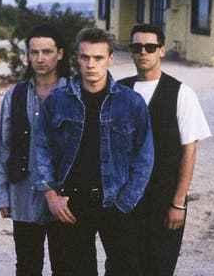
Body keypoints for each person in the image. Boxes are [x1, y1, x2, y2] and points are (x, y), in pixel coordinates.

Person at [34, 27, 154, 275]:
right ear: (76, 58)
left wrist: (126, 201)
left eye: (98, 58)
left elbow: (144, 157)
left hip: (115, 201)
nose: (91, 64)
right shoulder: (57, 101)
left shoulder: (131, 102)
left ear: (111, 59)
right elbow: (41, 149)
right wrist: (51, 196)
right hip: (70, 204)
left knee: (126, 270)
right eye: (85, 57)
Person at [118, 24, 211, 276]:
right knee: (122, 267)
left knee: (158, 268)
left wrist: (178, 203)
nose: (143, 53)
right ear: (131, 52)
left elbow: (189, 151)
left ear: (162, 51)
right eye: (137, 48)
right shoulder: (119, 90)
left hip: (164, 199)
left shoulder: (181, 93)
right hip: (127, 200)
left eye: (150, 47)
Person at [0, 24, 72, 275]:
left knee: (66, 263)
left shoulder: (75, 92)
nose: (40, 58)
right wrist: (1, 194)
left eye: (47, 51)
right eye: (34, 52)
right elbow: (3, 146)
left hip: (65, 195)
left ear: (60, 53)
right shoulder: (15, 95)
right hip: (23, 192)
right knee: (27, 265)